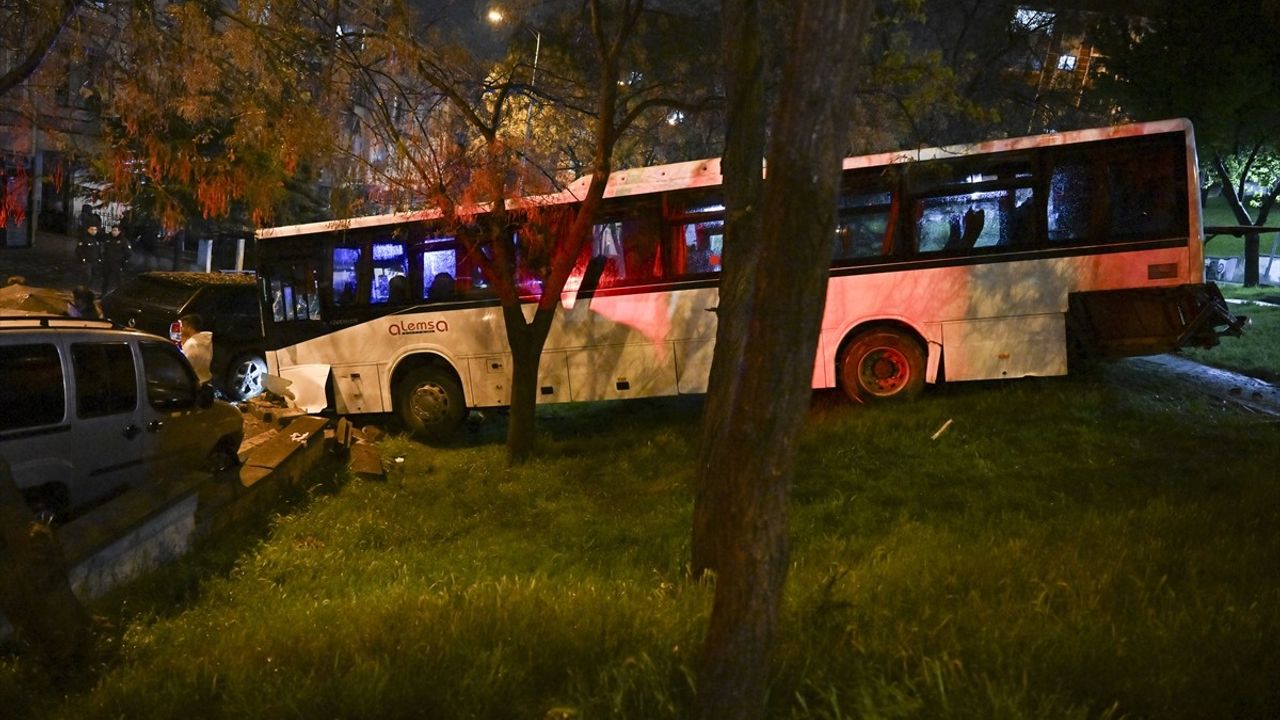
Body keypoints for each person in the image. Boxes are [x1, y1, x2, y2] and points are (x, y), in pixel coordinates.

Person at [179, 313, 214, 386]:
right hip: (206, 380)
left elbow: (184, 366)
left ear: (189, 328)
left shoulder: (191, 344)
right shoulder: (205, 341)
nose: (180, 329)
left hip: (195, 384)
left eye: (182, 326)